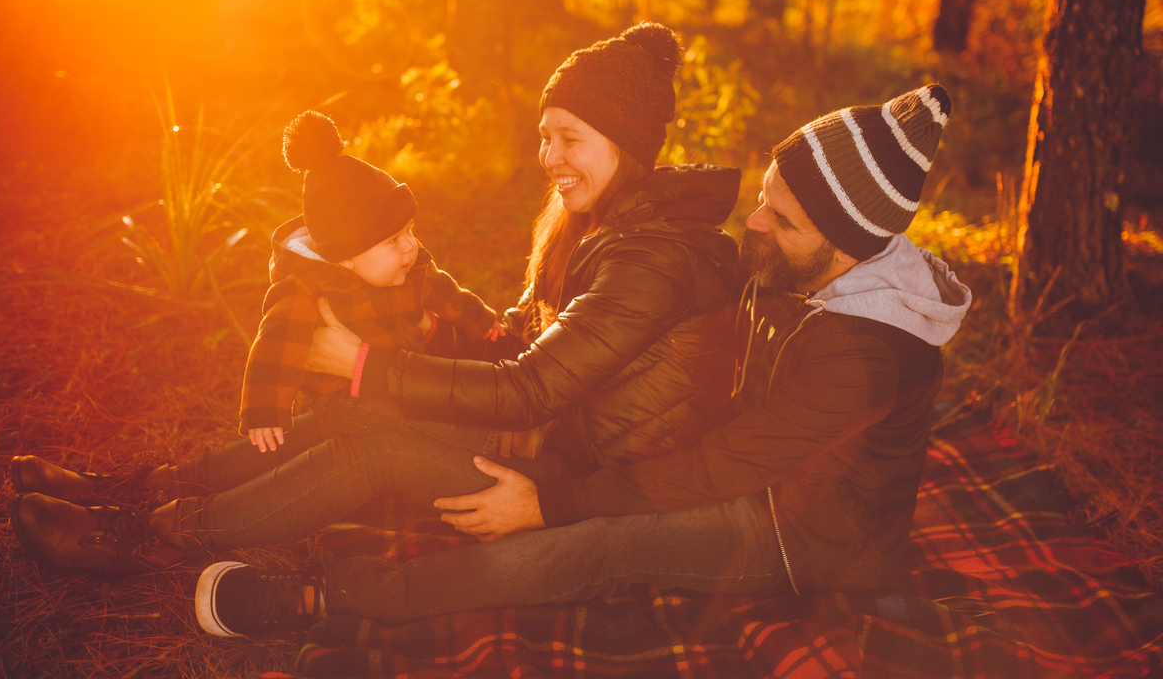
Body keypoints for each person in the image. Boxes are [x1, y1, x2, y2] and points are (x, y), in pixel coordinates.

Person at [192, 83, 973, 639]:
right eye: (765, 197)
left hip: (797, 534)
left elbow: (726, 468)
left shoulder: (866, 354)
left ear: (848, 245)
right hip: (702, 453)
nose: (756, 222)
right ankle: (182, 502)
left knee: (601, 543)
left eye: (783, 218)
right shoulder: (790, 267)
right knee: (412, 444)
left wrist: (549, 505)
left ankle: (322, 600)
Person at [8, 22, 744, 583]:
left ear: (624, 143)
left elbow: (531, 388)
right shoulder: (603, 228)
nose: (550, 158)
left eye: (569, 139)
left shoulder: (652, 259)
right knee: (349, 414)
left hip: (590, 485)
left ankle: (148, 540)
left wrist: (363, 361)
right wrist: (429, 325)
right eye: (545, 137)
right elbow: (526, 340)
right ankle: (139, 491)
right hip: (550, 439)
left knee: (375, 449)